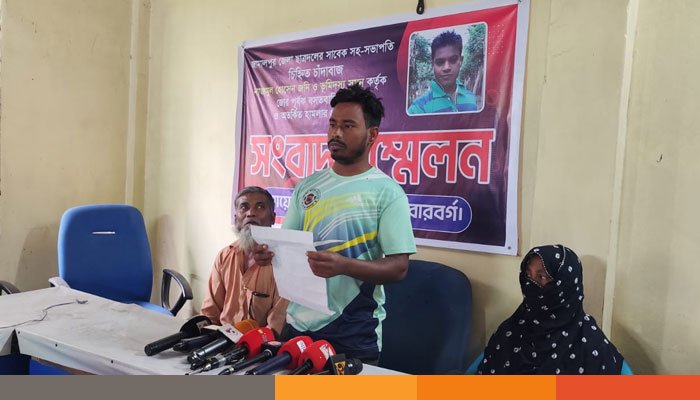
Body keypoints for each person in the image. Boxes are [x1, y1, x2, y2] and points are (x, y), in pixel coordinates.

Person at [254, 84, 417, 364]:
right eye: (332, 125)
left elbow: (399, 267)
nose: (336, 133)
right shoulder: (308, 187)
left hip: (353, 331)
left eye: (348, 126)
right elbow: (289, 245)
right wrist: (268, 254)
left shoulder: (387, 192)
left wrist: (344, 266)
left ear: (372, 134)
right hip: (298, 327)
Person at [478, 245, 625, 375]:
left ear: (565, 285)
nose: (531, 284)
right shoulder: (510, 330)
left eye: (541, 276)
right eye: (528, 275)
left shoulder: (591, 345)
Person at [200, 186, 288, 337]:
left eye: (260, 207)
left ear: (273, 218)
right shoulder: (224, 256)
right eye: (244, 207)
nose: (250, 213)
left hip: (259, 345)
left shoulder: (283, 262)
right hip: (222, 339)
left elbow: (276, 326)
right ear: (236, 219)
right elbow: (210, 312)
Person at [408, 30, 477, 114]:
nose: (446, 68)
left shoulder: (472, 98)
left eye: (453, 60)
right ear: (432, 64)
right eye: (440, 62)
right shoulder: (418, 108)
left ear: (461, 61)